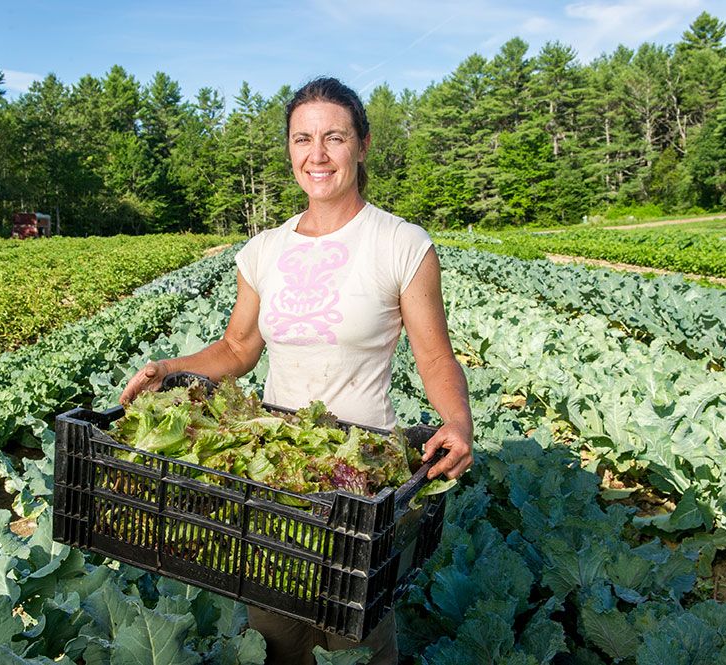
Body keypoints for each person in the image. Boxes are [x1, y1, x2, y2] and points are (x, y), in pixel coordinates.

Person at [119, 76, 473, 665]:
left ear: (361, 144)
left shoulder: (401, 244)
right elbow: (235, 350)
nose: (317, 154)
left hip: (362, 478)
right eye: (302, 138)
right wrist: (168, 370)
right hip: (274, 482)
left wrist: (457, 421)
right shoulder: (264, 250)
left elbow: (434, 356)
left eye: (334, 137)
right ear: (288, 149)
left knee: (356, 642)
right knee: (276, 637)